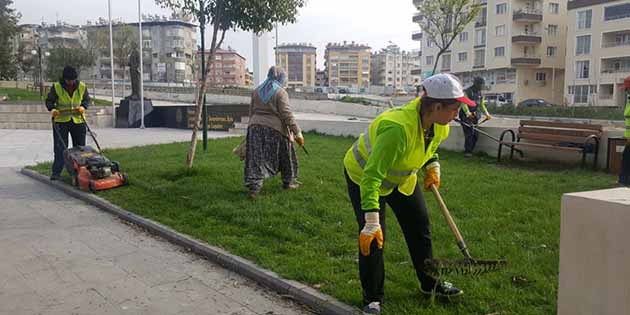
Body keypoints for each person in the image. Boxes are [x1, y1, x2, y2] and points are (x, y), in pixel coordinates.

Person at [343, 73, 476, 315]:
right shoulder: (397, 128)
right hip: (364, 176)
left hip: (401, 179)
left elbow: (428, 148)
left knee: (420, 227)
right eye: (455, 108)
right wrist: (371, 221)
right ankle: (372, 299)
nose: (458, 115)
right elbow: (372, 177)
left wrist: (432, 165)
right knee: (373, 238)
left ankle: (429, 283)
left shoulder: (440, 125)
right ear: (436, 106)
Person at [244, 66, 304, 199]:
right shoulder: (280, 92)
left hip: (254, 128)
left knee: (255, 159)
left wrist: (250, 128)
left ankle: (254, 188)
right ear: (281, 77)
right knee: (286, 155)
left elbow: (251, 112)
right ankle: (288, 182)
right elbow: (287, 114)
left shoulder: (256, 91)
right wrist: (297, 132)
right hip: (275, 130)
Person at [46, 65, 90, 180]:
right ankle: (56, 172)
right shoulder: (56, 87)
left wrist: (83, 107)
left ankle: (80, 172)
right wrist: (53, 109)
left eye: (73, 80)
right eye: (68, 80)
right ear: (64, 79)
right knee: (60, 148)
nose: (71, 82)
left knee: (80, 148)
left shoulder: (82, 86)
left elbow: (86, 100)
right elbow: (49, 101)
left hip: (78, 120)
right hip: (61, 121)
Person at [459, 76, 492, 157]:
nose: (482, 86)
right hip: (465, 115)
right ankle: (468, 152)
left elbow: (481, 105)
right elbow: (463, 103)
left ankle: (471, 151)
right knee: (469, 133)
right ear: (476, 83)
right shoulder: (467, 91)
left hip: (475, 115)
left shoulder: (481, 93)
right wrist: (467, 113)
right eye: (481, 84)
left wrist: (487, 114)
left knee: (475, 135)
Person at [618, 90, 630, 186]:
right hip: (628, 137)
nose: (626, 91)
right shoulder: (629, 101)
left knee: (626, 157)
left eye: (627, 88)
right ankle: (623, 181)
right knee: (626, 158)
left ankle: (623, 181)